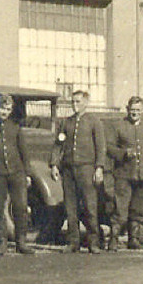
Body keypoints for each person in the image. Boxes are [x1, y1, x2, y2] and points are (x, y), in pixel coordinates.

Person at [50, 90, 106, 253]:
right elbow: (58, 145)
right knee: (70, 207)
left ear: (86, 103)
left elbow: (100, 146)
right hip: (68, 170)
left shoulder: (94, 121)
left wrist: (99, 168)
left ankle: (93, 242)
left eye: (78, 102)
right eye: (73, 102)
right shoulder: (66, 122)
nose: (75, 105)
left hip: (87, 169)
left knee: (90, 206)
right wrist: (54, 164)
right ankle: (73, 242)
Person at [0, 93, 34, 255]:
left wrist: (27, 174)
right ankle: (2, 241)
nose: (5, 112)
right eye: (3, 108)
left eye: (8, 109)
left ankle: (21, 242)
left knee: (21, 207)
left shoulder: (15, 127)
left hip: (17, 173)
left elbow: (24, 152)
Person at [106, 96, 143, 250]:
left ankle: (134, 239)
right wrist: (123, 153)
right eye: (132, 110)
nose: (135, 113)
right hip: (124, 176)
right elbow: (109, 148)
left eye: (138, 110)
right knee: (120, 209)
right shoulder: (119, 126)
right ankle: (114, 239)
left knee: (139, 209)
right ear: (127, 109)